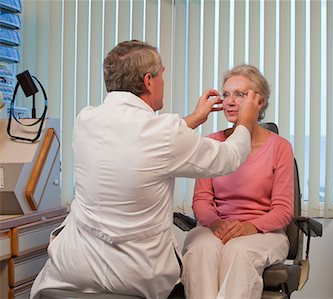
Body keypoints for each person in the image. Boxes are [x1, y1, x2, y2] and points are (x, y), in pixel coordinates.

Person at [30, 41, 262, 299]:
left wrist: (193, 119)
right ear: (149, 80)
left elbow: (139, 141)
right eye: (162, 74)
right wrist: (245, 121)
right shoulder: (163, 133)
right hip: (137, 274)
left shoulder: (86, 120)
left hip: (72, 270)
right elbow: (228, 158)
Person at [181, 64, 294, 299]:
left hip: (263, 233)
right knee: (201, 249)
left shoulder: (280, 147)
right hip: (216, 228)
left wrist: (249, 226)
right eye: (226, 94)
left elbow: (283, 210)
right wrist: (216, 224)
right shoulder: (212, 142)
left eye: (240, 95)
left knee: (238, 251)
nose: (230, 102)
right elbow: (201, 200)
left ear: (259, 103)